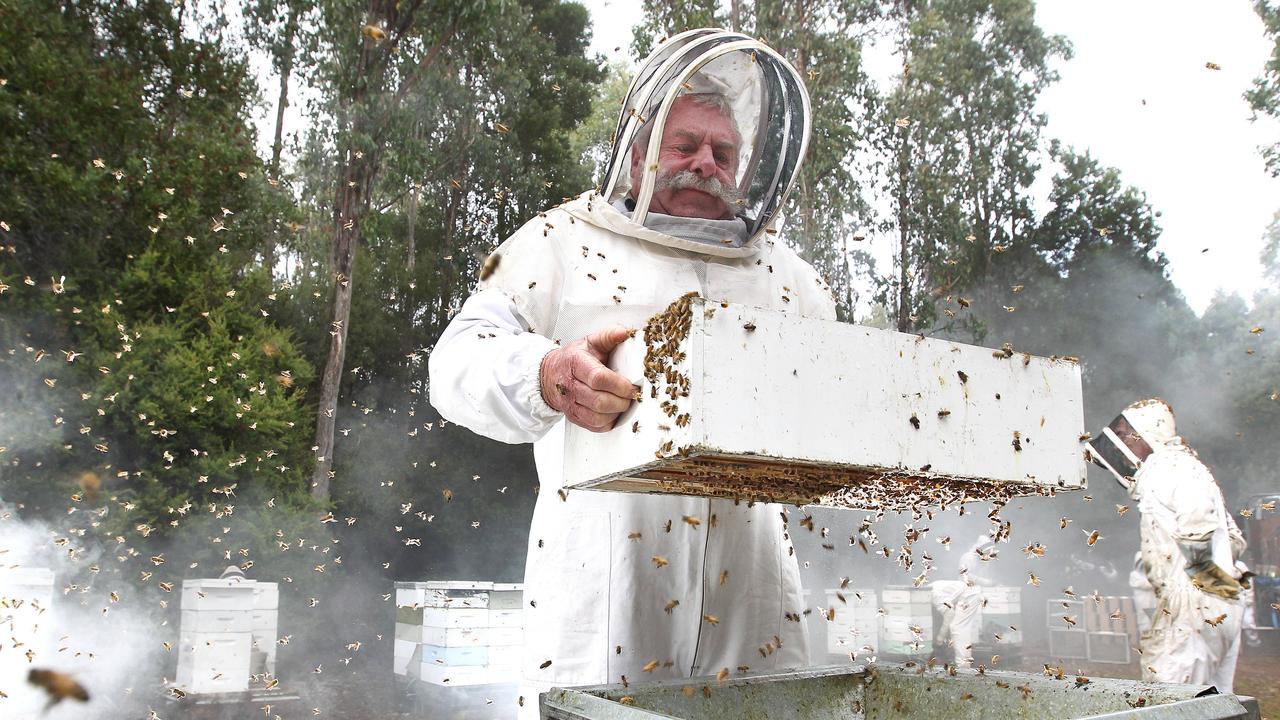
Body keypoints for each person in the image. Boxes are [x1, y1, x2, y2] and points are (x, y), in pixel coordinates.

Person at [428, 29, 832, 711]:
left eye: (723, 152)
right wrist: (550, 371)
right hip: (602, 590)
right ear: (640, 154)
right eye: (685, 145)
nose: (705, 163)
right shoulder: (560, 241)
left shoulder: (791, 281)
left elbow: (842, 405)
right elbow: (457, 359)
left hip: (755, 595)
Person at [1089, 398, 1246, 691]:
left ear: (1148, 433)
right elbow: (1234, 537)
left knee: (1167, 700)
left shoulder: (1165, 466)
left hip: (1193, 605)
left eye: (1125, 433)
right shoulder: (1193, 468)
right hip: (1222, 598)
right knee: (1213, 703)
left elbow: (1198, 520)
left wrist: (1195, 573)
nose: (1121, 443)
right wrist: (1214, 571)